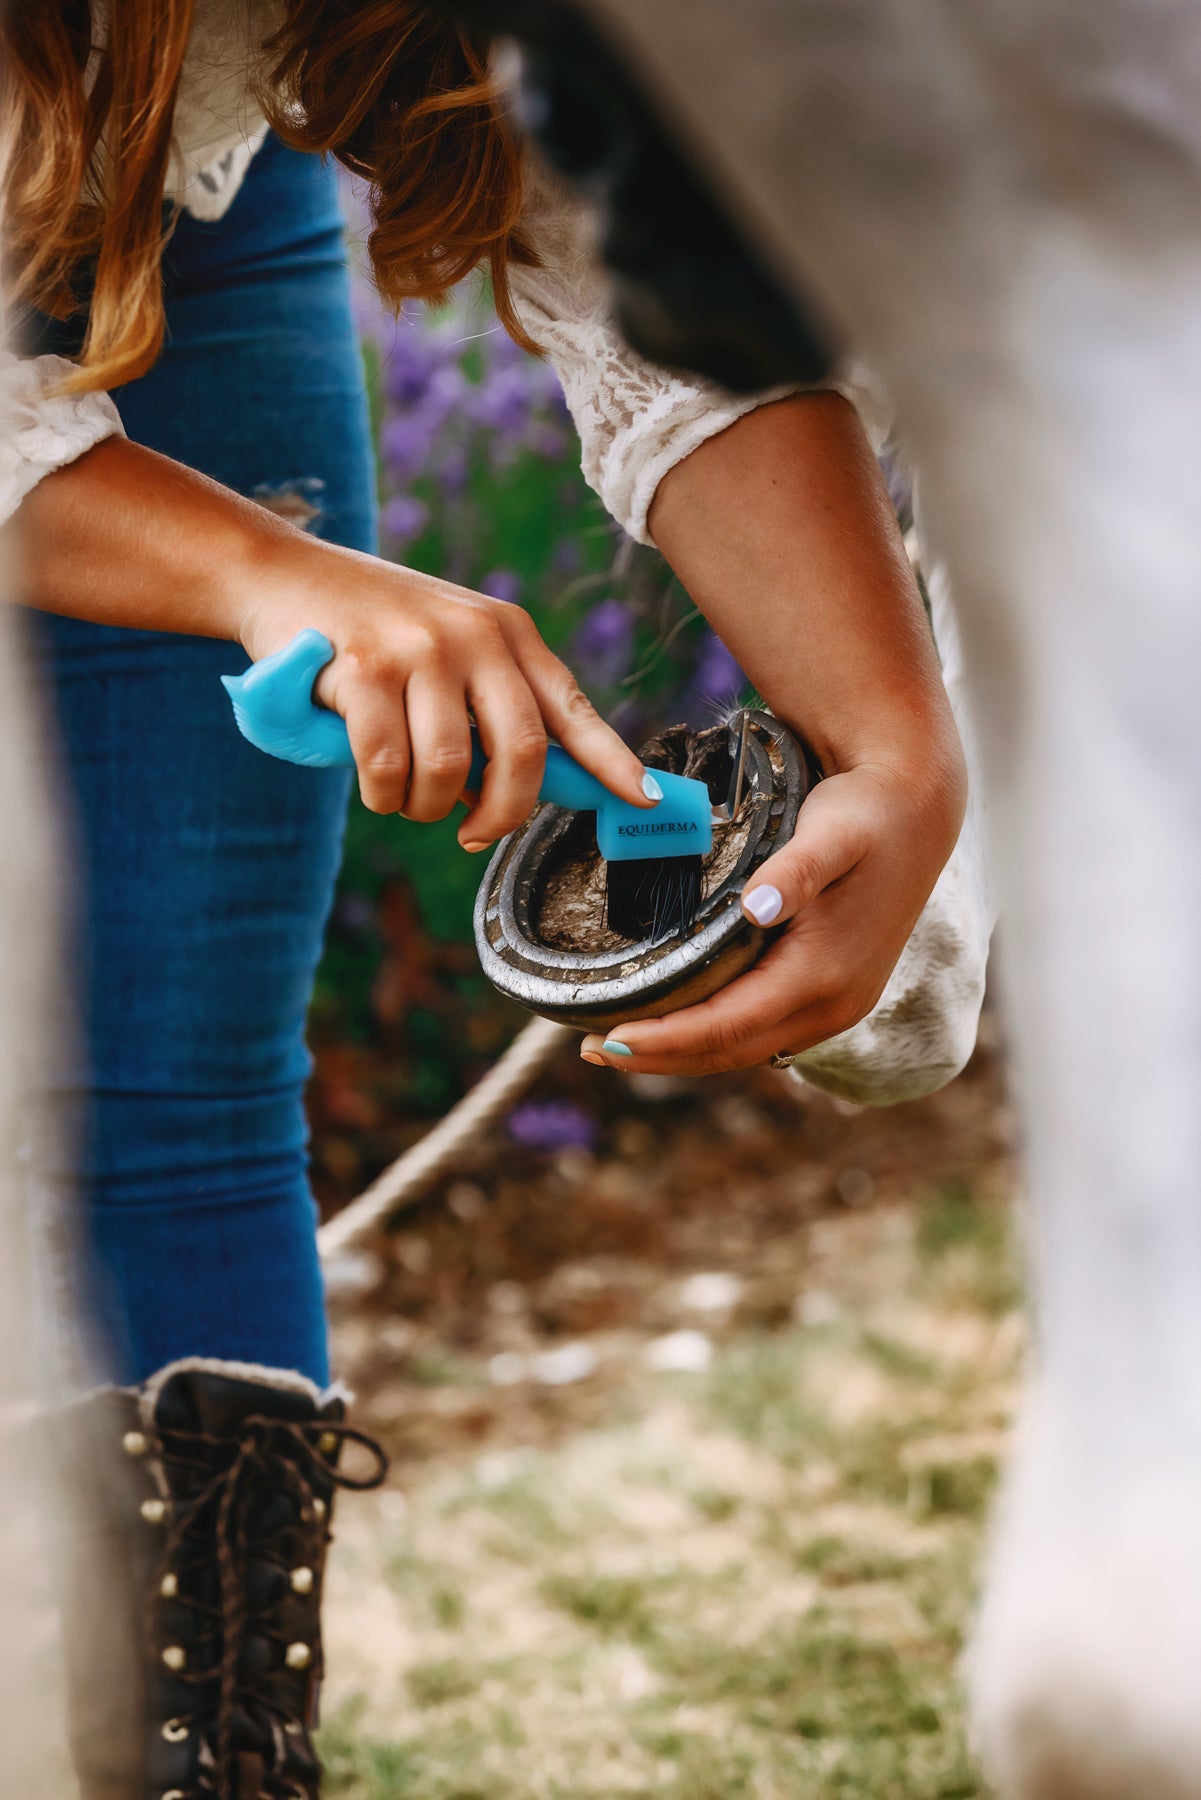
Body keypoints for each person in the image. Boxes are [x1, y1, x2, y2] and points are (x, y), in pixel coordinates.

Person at [1, 3, 979, 1795]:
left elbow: (634, 263)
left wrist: (894, 752)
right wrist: (256, 570)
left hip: (189, 206)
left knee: (184, 1096)